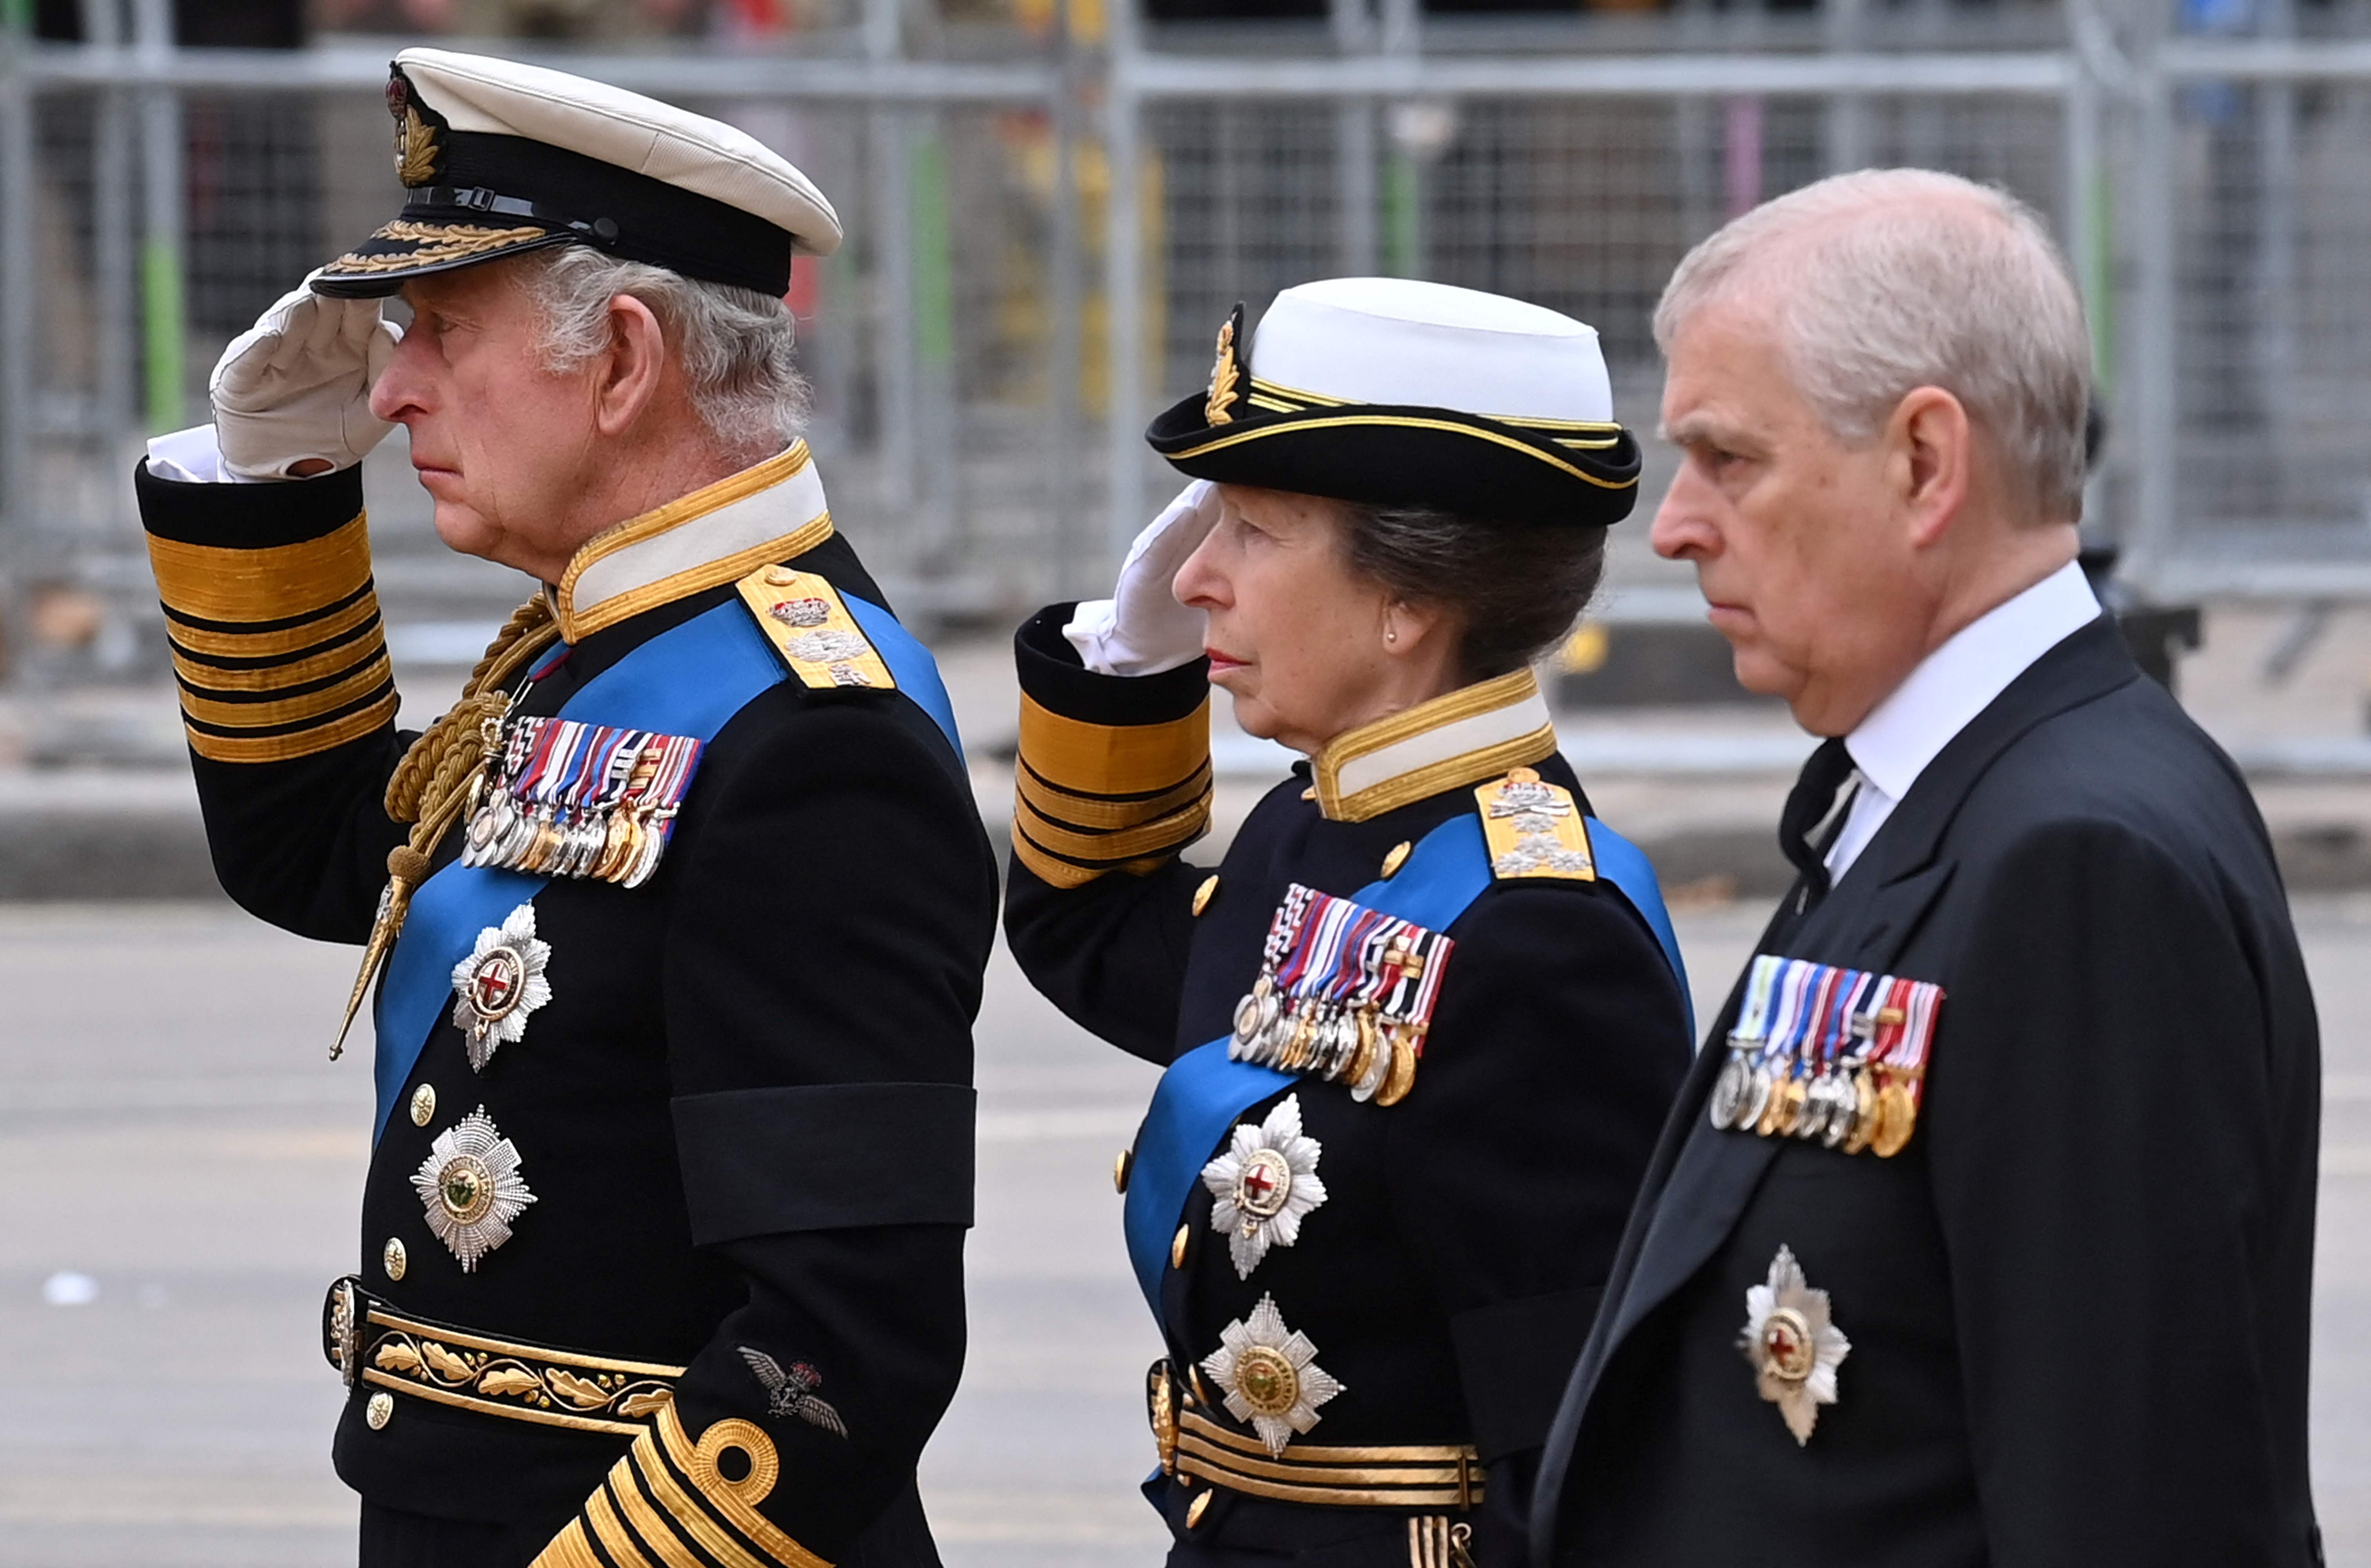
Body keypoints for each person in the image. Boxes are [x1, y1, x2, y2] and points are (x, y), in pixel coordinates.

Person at [134, 47, 995, 1568]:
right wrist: (269, 479)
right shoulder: (613, 641)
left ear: (623, 363)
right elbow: (328, 845)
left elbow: (840, 1350)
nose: (392, 385)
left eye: (442, 332)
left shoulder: (808, 728)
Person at [1530, 169, 2322, 1567]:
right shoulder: (1936, 790)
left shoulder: (2076, 862)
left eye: (1731, 458)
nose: (1676, 523)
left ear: (1923, 465)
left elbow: (2127, 1507)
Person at [1003, 277, 1696, 1567]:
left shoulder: (1538, 926)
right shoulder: (1309, 828)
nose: (1196, 575)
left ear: (1409, 605)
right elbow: (1085, 923)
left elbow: (1579, 1449)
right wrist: (1126, 671)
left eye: (1255, 531)